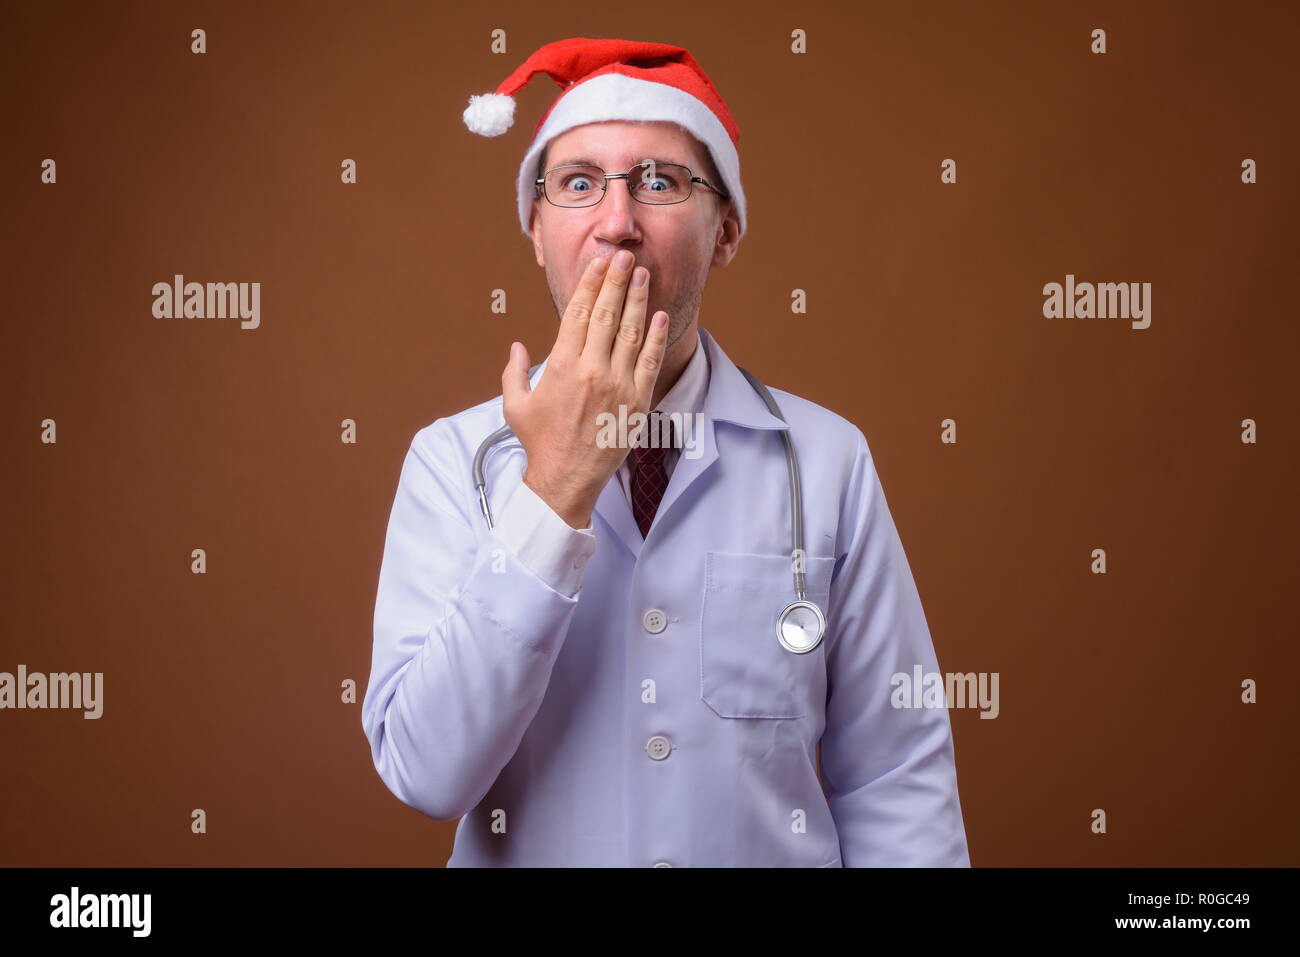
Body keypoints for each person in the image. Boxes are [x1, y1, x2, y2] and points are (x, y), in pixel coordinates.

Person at [361, 37, 971, 867]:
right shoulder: (450, 461)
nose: (618, 223)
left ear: (725, 231)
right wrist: (554, 490)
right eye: (579, 183)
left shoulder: (828, 463)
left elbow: (899, 778)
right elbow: (427, 774)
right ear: (536, 232)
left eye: (660, 180)